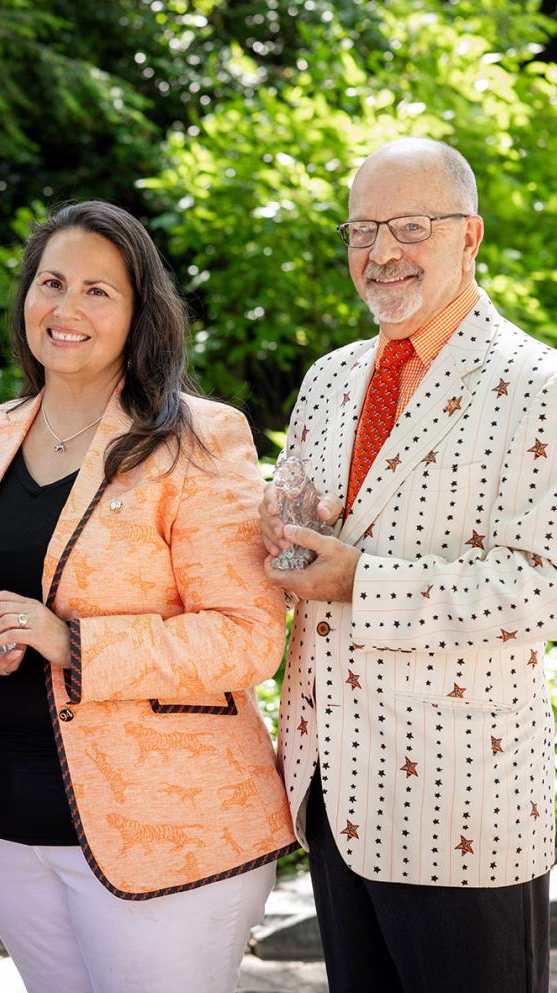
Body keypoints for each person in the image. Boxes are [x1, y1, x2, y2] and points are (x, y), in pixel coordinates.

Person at [0, 200, 295, 993]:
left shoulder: (200, 438)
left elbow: (247, 636)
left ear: (137, 313)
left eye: (98, 290)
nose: (66, 307)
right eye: (52, 282)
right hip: (1, 821)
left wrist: (71, 639)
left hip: (171, 825)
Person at [263, 137, 557, 993]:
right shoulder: (329, 378)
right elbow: (291, 530)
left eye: (411, 227)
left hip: (466, 797)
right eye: (362, 230)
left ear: (469, 237)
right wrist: (278, 534)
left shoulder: (539, 383)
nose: (381, 252)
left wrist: (360, 578)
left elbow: (543, 589)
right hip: (332, 786)